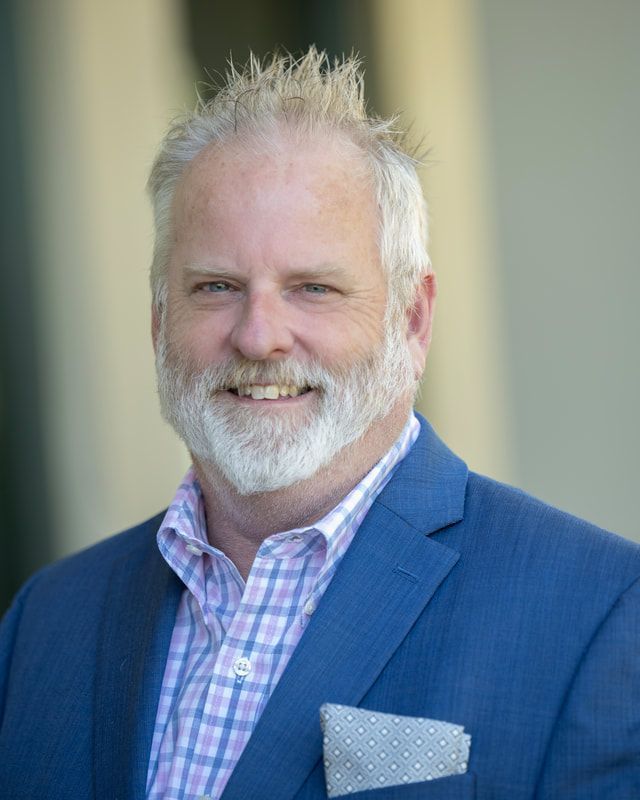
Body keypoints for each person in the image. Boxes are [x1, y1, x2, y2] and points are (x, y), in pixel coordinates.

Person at [0, 48, 638, 800]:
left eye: (313, 287)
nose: (259, 335)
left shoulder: (601, 612)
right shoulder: (43, 622)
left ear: (412, 317)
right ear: (158, 321)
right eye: (215, 287)